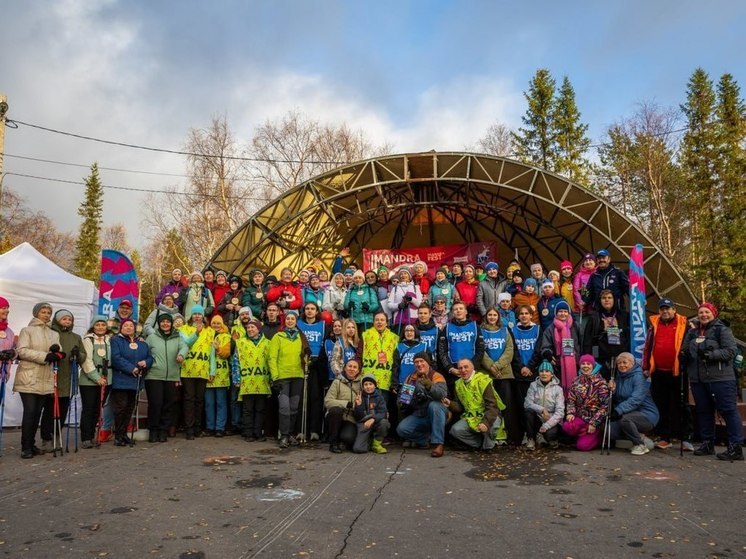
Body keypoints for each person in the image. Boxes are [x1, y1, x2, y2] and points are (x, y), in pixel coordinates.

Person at [680, 302, 742, 461]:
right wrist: (684, 356)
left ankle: (735, 447)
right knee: (704, 410)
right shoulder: (692, 332)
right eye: (701, 312)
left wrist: (712, 355)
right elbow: (685, 349)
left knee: (728, 410)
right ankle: (708, 443)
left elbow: (731, 351)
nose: (703, 315)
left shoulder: (722, 329)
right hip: (698, 378)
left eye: (707, 312)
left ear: (713, 313)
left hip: (721, 378)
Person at [642, 298, 694, 451]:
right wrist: (646, 366)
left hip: (678, 371)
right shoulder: (654, 325)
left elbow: (691, 347)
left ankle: (686, 437)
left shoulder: (685, 326)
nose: (665, 311)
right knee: (661, 405)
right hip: (658, 371)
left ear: (674, 309)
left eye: (668, 308)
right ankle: (665, 437)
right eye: (662, 309)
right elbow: (647, 347)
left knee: (682, 404)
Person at [14, 302, 61, 458]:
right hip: (29, 376)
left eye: (49, 312)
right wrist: (44, 356)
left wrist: (60, 355)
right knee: (30, 412)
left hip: (45, 378)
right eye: (43, 312)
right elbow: (22, 351)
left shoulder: (54, 333)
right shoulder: (27, 330)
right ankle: (25, 447)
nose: (46, 315)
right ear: (36, 313)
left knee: (37, 414)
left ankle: (32, 445)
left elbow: (58, 349)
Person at [40, 309, 86, 451]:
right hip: (52, 376)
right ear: (58, 320)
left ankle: (57, 434)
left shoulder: (76, 337)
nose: (67, 322)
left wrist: (77, 355)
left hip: (68, 376)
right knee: (49, 409)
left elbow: (83, 354)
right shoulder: (51, 333)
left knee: (63, 408)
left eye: (69, 319)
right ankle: (46, 438)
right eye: (64, 319)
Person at [268, 310, 308, 448]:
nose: (290, 321)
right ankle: (284, 435)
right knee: (284, 407)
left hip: (297, 375)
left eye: (293, 319)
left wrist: (308, 357)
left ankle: (291, 433)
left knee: (294, 407)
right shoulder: (278, 336)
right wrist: (275, 377)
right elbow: (272, 358)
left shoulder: (301, 336)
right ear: (285, 321)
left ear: (296, 321)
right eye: (288, 319)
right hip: (282, 377)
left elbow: (305, 356)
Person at [446, 358, 506, 451]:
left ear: (472, 367)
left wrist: (486, 423)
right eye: (460, 368)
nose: (463, 370)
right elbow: (460, 407)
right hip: (471, 418)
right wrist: (450, 403)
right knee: (455, 430)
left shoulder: (483, 380)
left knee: (488, 445)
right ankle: (479, 443)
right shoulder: (458, 384)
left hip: (489, 415)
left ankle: (488, 444)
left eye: (466, 367)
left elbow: (492, 405)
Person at [110, 318, 153, 446]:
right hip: (121, 380)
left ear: (135, 328)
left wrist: (146, 362)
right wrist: (131, 368)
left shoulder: (142, 343)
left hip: (136, 381)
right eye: (126, 326)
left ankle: (124, 435)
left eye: (131, 326)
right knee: (121, 408)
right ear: (121, 328)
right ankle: (118, 435)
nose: (128, 328)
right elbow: (116, 357)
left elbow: (150, 357)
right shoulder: (116, 340)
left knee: (130, 408)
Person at [396, 352, 449, 457]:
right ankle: (425, 440)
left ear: (428, 363)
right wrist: (403, 401)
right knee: (402, 429)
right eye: (416, 362)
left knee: (434, 405)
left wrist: (429, 385)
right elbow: (404, 402)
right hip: (420, 413)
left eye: (421, 361)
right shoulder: (411, 378)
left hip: (437, 413)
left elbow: (441, 395)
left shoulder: (436, 376)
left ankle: (438, 444)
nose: (419, 364)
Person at [145, 313, 187, 443]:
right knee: (155, 404)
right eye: (162, 322)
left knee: (168, 405)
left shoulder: (177, 337)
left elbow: (184, 347)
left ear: (171, 323)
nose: (165, 324)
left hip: (171, 376)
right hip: (154, 376)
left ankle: (163, 431)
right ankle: (153, 430)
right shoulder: (151, 337)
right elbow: (144, 352)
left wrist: (181, 354)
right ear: (159, 324)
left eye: (168, 322)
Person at [608, 352, 658, 456]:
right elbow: (619, 397)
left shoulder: (639, 377)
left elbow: (636, 399)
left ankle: (640, 445)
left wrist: (618, 410)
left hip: (645, 414)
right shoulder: (618, 377)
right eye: (619, 363)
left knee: (624, 419)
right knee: (610, 431)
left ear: (632, 363)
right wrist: (612, 390)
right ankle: (639, 436)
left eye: (625, 362)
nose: (622, 365)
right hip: (626, 412)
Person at [480, 307, 517, 443]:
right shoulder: (481, 331)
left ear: (498, 317)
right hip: (487, 374)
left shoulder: (505, 330)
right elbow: (480, 351)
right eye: (489, 315)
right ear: (486, 316)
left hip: (504, 373)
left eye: (494, 315)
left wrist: (497, 365)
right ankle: (491, 435)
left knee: (506, 405)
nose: (492, 317)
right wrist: (491, 366)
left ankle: (507, 434)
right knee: (490, 405)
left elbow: (509, 350)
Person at [531, 300, 581, 396]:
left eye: (565, 311)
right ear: (556, 313)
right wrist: (548, 354)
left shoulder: (575, 326)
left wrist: (580, 357)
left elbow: (581, 343)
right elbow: (545, 346)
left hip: (575, 363)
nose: (563, 314)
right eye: (560, 311)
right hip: (558, 365)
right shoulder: (550, 328)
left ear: (569, 312)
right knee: (559, 391)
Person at [180, 305, 215, 440]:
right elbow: (186, 344)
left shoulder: (210, 331)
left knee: (199, 400)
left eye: (199, 314)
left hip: (203, 369)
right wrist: (196, 333)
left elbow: (212, 352)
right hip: (188, 369)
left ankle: (197, 427)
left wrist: (212, 370)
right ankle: (189, 428)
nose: (197, 316)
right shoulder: (183, 329)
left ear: (203, 316)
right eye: (194, 314)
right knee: (189, 399)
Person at [234, 318, 271, 441]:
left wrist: (272, 380)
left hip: (262, 381)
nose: (250, 329)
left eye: (252, 327)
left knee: (260, 409)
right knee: (247, 409)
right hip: (246, 381)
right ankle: (248, 433)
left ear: (258, 329)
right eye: (248, 327)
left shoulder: (267, 343)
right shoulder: (240, 343)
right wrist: (236, 379)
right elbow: (236, 361)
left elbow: (271, 362)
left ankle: (258, 432)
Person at [562, 355, 609, 451]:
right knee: (567, 426)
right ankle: (583, 433)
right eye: (583, 364)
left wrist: (594, 423)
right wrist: (570, 412)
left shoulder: (601, 382)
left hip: (595, 420)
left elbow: (605, 406)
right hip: (581, 418)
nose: (585, 366)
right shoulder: (576, 381)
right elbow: (571, 400)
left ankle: (599, 436)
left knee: (582, 446)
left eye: (588, 364)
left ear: (593, 366)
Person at [361, 312, 400, 428]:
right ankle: (366, 434)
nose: (379, 322)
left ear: (387, 322)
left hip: (385, 379)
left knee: (382, 409)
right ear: (373, 322)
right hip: (369, 378)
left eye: (382, 320)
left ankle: (380, 436)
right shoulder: (365, 334)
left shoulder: (394, 337)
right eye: (377, 320)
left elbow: (396, 361)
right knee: (367, 408)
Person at [297, 302, 329, 441]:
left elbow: (325, 344)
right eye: (307, 309)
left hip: (317, 364)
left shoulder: (323, 325)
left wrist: (319, 360)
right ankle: (300, 430)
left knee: (315, 397)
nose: (310, 311)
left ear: (317, 311)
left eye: (312, 309)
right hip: (302, 363)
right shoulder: (298, 324)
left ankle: (315, 430)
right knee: (302, 398)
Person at [438, 301, 484, 395]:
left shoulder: (475, 326)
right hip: (454, 371)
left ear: (466, 312)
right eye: (455, 309)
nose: (458, 311)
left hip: (472, 369)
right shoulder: (447, 328)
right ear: (452, 312)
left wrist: (472, 367)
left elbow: (480, 349)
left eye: (461, 308)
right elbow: (442, 351)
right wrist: (450, 368)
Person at [582, 290, 630, 379]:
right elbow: (588, 341)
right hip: (601, 360)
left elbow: (629, 336)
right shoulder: (594, 317)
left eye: (609, 298)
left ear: (614, 300)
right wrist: (590, 359)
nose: (606, 300)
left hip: (621, 360)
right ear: (600, 301)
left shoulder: (623, 315)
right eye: (604, 298)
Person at [79, 315, 112, 449]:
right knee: (89, 408)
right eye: (97, 325)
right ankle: (86, 437)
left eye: (103, 325)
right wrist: (96, 377)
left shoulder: (109, 340)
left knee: (97, 410)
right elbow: (87, 361)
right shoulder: (88, 340)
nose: (100, 327)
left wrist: (106, 378)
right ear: (93, 326)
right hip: (89, 381)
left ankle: (92, 435)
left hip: (106, 379)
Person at [524, 360, 565, 450]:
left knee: (551, 434)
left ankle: (549, 439)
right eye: (541, 371)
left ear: (552, 374)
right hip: (538, 416)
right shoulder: (533, 385)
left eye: (547, 371)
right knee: (528, 411)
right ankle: (531, 439)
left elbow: (560, 412)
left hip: (551, 418)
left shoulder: (558, 389)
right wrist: (542, 409)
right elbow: (527, 403)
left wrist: (546, 425)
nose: (544, 374)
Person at [324, 358, 362, 453]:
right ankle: (333, 443)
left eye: (354, 367)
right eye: (349, 366)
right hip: (336, 416)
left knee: (349, 438)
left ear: (358, 370)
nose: (351, 369)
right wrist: (347, 404)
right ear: (345, 368)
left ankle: (342, 439)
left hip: (350, 418)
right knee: (336, 411)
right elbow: (328, 401)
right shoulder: (337, 382)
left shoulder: (361, 384)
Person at [205, 315, 233, 437]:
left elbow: (226, 354)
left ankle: (220, 427)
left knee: (221, 402)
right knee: (209, 403)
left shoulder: (227, 336)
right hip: (207, 374)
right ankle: (210, 427)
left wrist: (217, 349)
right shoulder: (206, 335)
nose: (216, 326)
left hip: (221, 374)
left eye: (218, 323)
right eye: (214, 323)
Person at [352, 373, 390, 454]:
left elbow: (383, 412)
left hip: (375, 422)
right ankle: (369, 440)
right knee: (358, 449)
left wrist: (373, 419)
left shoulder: (379, 397)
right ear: (363, 386)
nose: (368, 386)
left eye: (370, 384)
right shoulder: (360, 396)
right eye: (365, 384)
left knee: (384, 423)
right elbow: (357, 416)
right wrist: (358, 406)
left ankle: (376, 443)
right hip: (364, 424)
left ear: (375, 385)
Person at [386, 267, 423, 333]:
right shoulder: (395, 289)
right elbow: (389, 305)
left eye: (405, 273)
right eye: (401, 274)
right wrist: (398, 306)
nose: (403, 275)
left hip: (413, 319)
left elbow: (420, 304)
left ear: (409, 276)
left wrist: (412, 299)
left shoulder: (415, 288)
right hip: (399, 319)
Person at [392, 324, 429, 388]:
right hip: (403, 383)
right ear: (404, 333)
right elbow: (395, 367)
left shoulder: (424, 346)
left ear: (415, 332)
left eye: (412, 330)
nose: (409, 333)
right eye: (407, 330)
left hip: (420, 383)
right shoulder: (399, 347)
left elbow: (430, 365)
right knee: (404, 398)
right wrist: (394, 384)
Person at [573, 253, 597, 321]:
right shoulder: (579, 275)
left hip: (596, 306)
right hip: (583, 308)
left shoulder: (598, 273)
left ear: (595, 262)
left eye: (590, 260)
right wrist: (580, 303)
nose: (588, 262)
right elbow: (576, 290)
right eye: (586, 261)